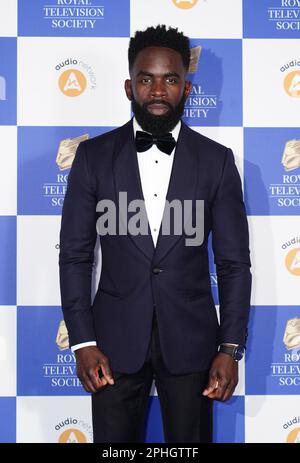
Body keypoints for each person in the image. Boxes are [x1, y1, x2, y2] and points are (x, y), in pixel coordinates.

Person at [59, 24, 251, 443]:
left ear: (186, 88)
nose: (158, 91)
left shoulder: (217, 161)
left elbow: (234, 265)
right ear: (130, 87)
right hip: (109, 345)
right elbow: (75, 255)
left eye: (170, 79)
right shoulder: (92, 157)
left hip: (193, 344)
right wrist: (82, 342)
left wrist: (229, 348)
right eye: (147, 79)